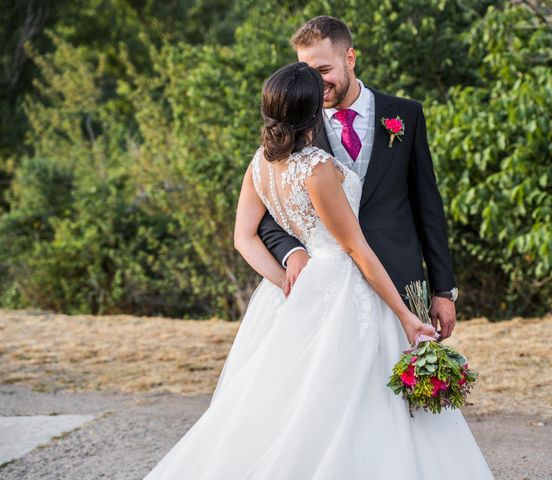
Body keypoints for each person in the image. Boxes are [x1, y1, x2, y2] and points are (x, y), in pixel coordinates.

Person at [143, 59, 494, 479]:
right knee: (352, 402)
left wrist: (285, 284)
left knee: (293, 400)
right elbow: (356, 248)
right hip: (345, 287)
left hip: (298, 295)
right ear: (313, 116)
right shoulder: (317, 168)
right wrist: (405, 315)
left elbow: (243, 238)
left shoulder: (260, 163)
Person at [258, 15, 458, 341]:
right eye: (309, 74)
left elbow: (428, 208)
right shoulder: (292, 125)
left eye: (324, 71)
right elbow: (269, 208)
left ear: (350, 58)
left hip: (402, 281)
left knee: (406, 388)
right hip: (328, 292)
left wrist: (443, 290)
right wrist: (291, 252)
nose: (317, 83)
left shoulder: (405, 114)